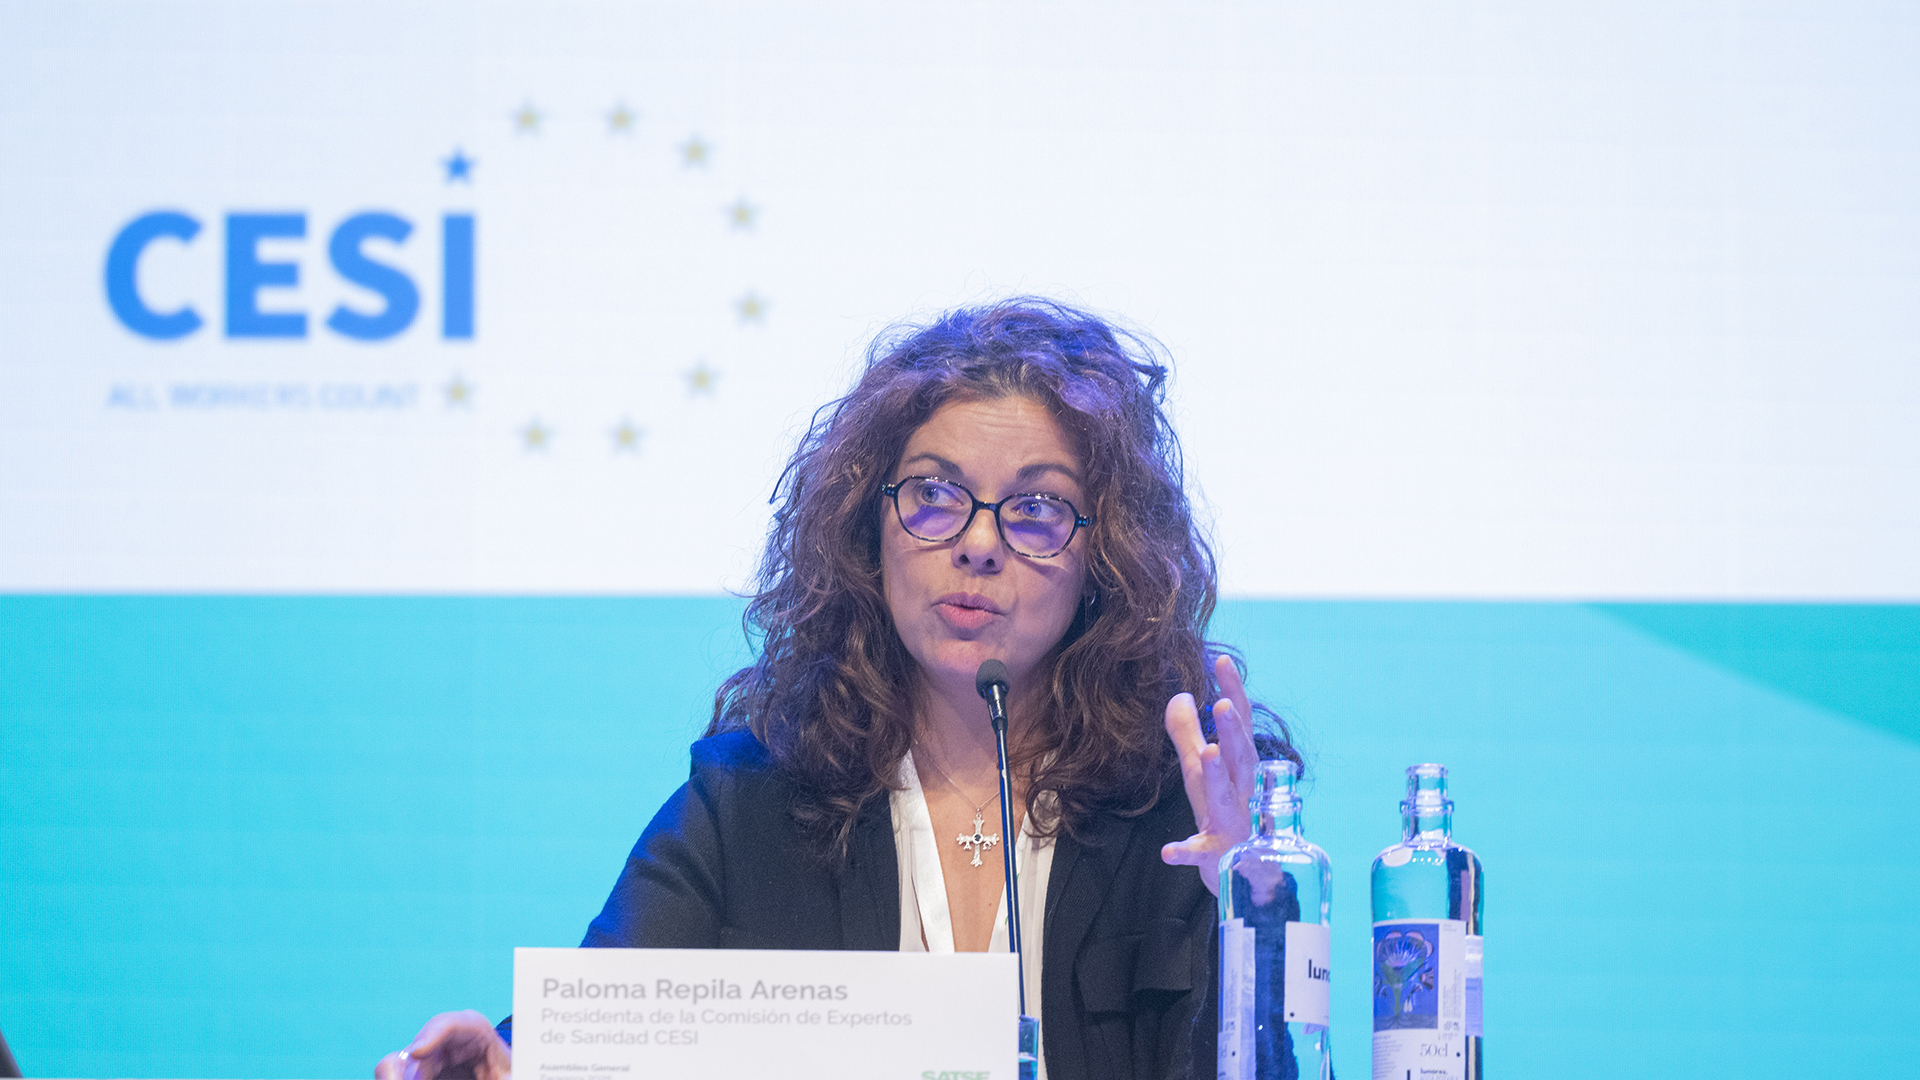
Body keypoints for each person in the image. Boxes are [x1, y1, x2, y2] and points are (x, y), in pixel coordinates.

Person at [376, 298, 1301, 1080]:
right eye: (934, 495)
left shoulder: (1180, 815)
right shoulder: (752, 803)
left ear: (1105, 556)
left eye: (1035, 508)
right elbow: (605, 1028)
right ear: (869, 529)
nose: (978, 544)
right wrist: (502, 1066)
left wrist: (1247, 907)